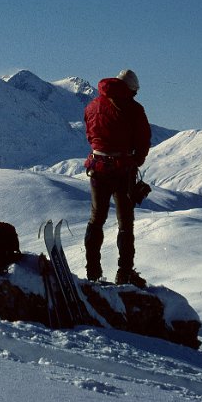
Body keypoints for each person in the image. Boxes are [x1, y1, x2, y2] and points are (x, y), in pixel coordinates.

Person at [82, 69, 151, 287]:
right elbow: (143, 140)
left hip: (98, 167)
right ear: (131, 89)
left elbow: (89, 134)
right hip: (122, 170)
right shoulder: (134, 109)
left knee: (96, 219)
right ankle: (124, 272)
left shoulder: (93, 105)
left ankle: (92, 271)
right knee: (125, 223)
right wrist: (136, 160)